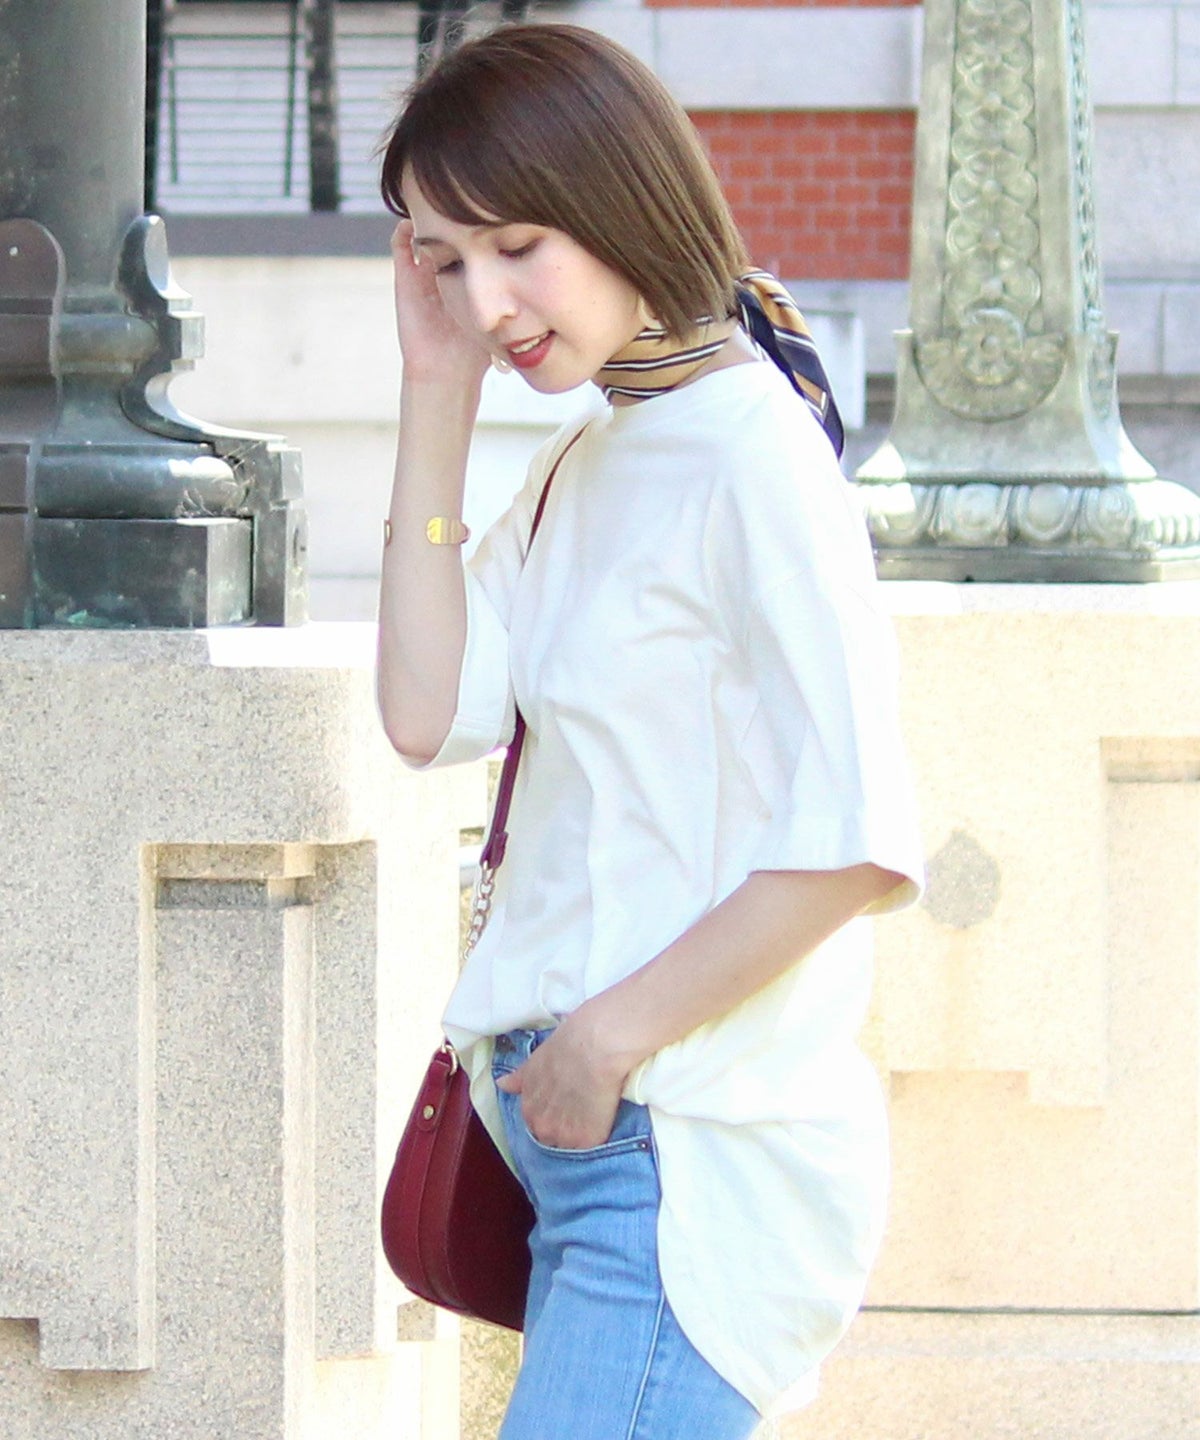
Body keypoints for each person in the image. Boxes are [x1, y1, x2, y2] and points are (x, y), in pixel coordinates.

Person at [375, 23, 923, 1439]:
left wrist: (603, 1044)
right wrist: (435, 391)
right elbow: (425, 713)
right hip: (588, 1156)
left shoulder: (753, 454)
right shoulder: (593, 459)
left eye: (517, 246)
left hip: (683, 1163)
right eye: (447, 260)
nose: (487, 300)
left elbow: (858, 841)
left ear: (619, 203)